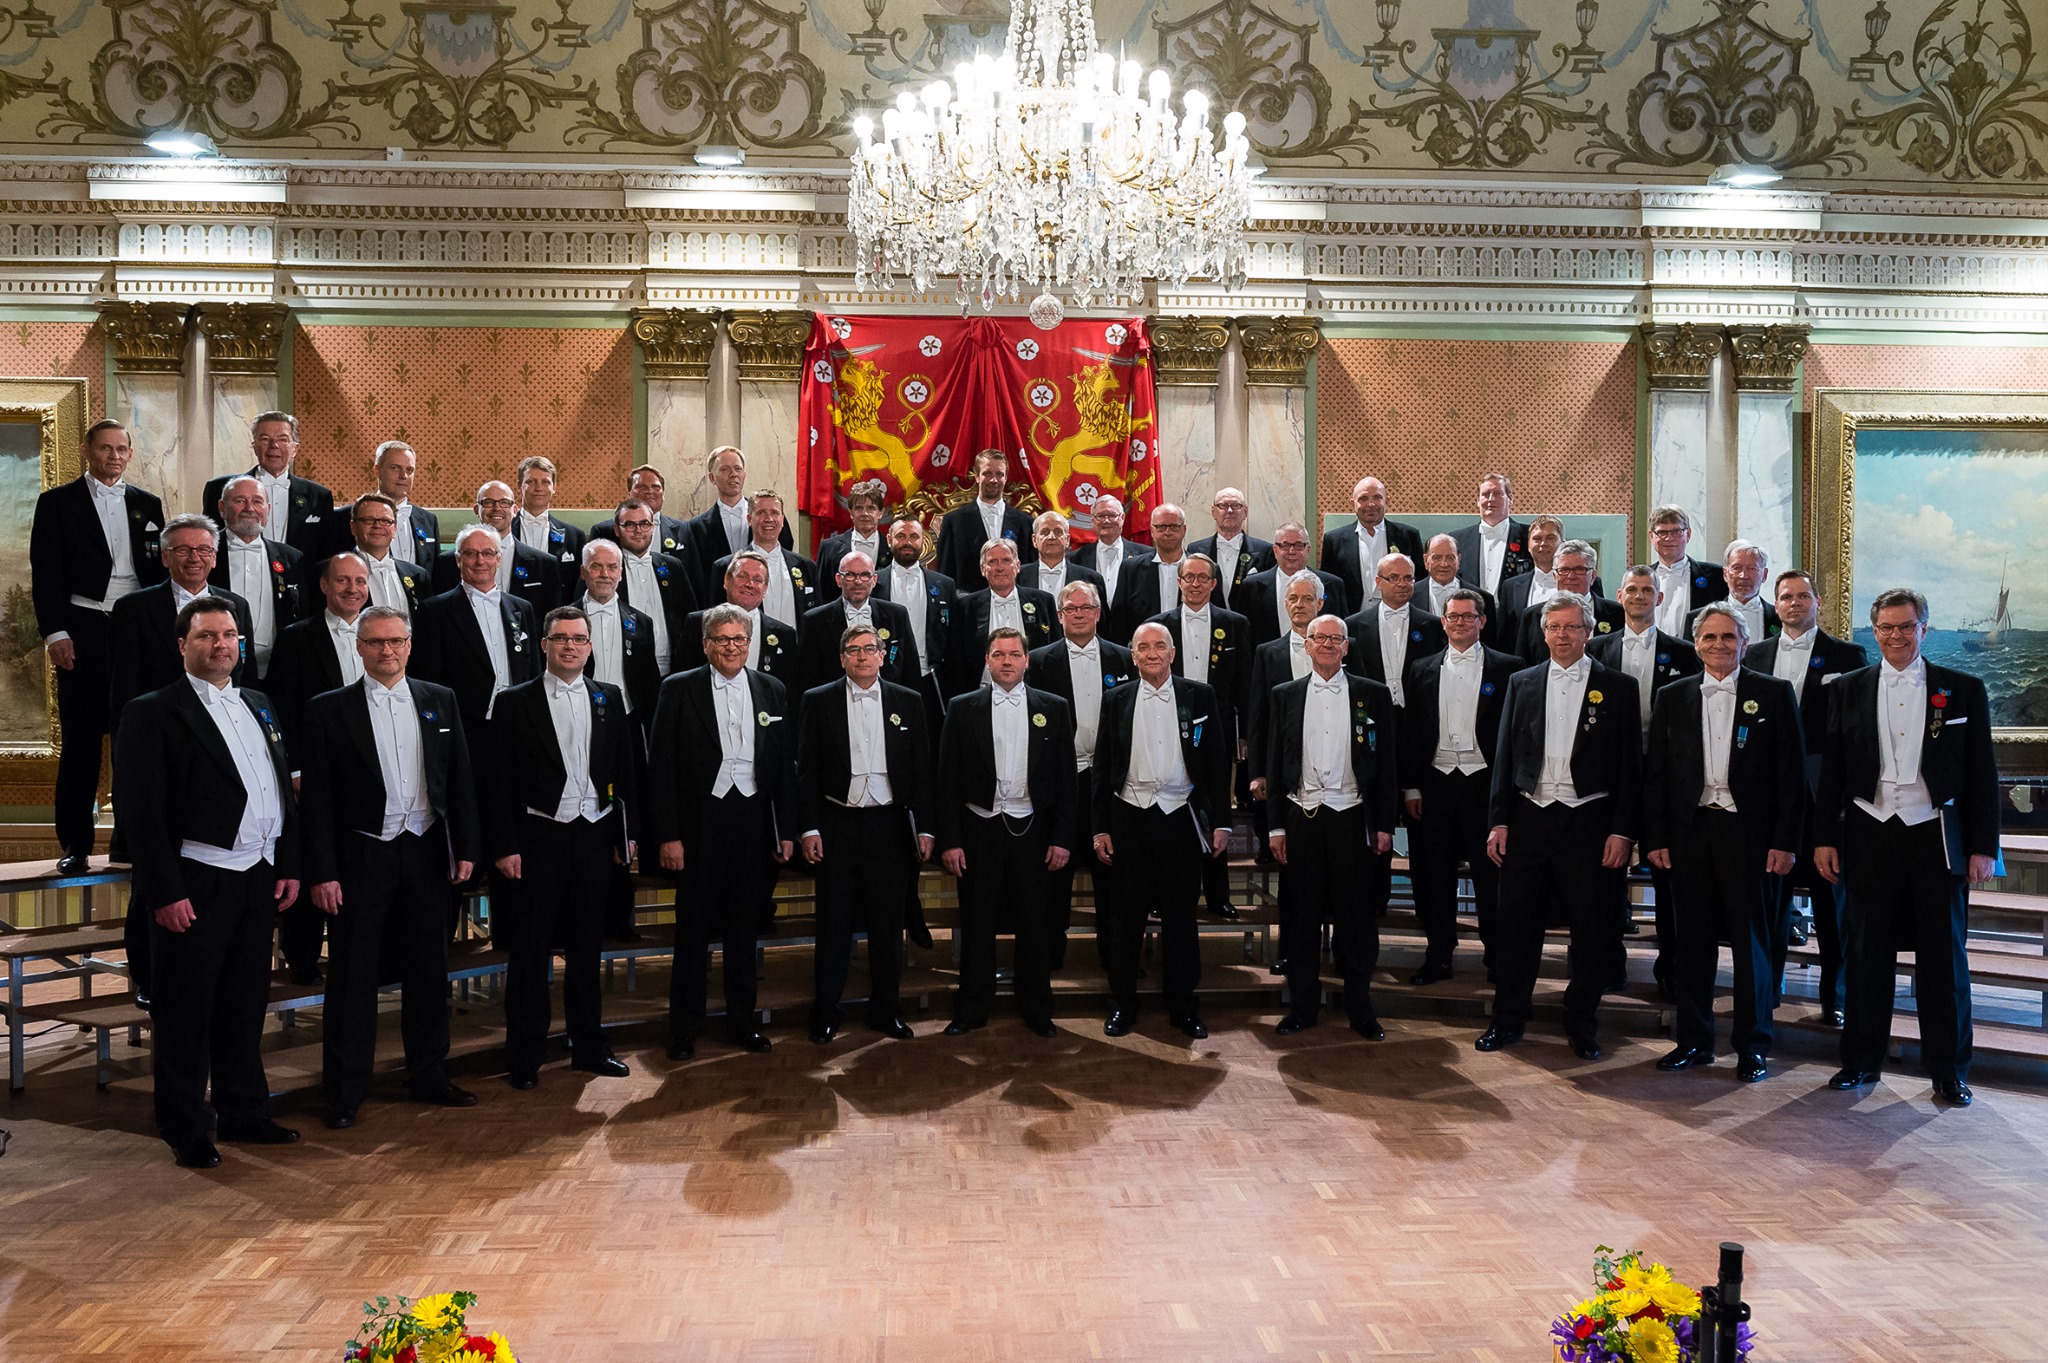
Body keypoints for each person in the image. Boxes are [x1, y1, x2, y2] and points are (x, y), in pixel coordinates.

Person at [114, 598, 300, 1168]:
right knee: (185, 1011)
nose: (221, 645)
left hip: (258, 874)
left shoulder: (259, 703)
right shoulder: (152, 712)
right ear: (182, 645)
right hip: (195, 879)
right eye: (207, 636)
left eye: (229, 635)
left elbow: (279, 788)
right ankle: (185, 1126)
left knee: (244, 1003)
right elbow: (141, 813)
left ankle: (244, 1111)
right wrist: (164, 892)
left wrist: (288, 863)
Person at [298, 606, 481, 1127]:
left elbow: (460, 778)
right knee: (352, 978)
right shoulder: (327, 709)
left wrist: (467, 847)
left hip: (425, 851)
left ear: (409, 645)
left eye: (396, 641)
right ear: (359, 648)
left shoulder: (439, 699)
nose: (387, 650)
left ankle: (429, 1075)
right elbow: (317, 802)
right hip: (361, 857)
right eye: (376, 642)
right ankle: (345, 1091)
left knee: (429, 971)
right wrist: (323, 872)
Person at [1815, 588, 1999, 1107]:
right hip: (1870, 832)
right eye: (1886, 627)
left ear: (1924, 628)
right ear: (1874, 631)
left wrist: (1983, 846)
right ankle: (1859, 1062)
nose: (1896, 636)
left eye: (1906, 626)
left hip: (1934, 835)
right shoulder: (1847, 688)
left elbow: (1981, 773)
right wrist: (1824, 837)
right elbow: (1832, 771)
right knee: (1866, 955)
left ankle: (1949, 1071)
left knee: (1944, 959)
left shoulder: (1962, 689)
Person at [1643, 604, 1804, 1083]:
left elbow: (1792, 776)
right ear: (1696, 644)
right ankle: (1693, 1041)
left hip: (1750, 836)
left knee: (1752, 946)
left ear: (1745, 643)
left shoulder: (1774, 693)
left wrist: (1785, 841)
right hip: (1690, 833)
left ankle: (1753, 1047)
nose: (1719, 645)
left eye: (1728, 637)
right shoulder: (1672, 695)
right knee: (1691, 945)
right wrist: (1656, 837)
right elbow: (1657, 774)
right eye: (1709, 637)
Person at [1478, 593, 1641, 1060]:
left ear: (1588, 632)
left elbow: (1629, 765)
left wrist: (1622, 831)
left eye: (1572, 627)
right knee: (1516, 927)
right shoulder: (1522, 681)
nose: (1563, 635)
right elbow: (1505, 757)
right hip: (1529, 818)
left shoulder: (1619, 687)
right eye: (1554, 627)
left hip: (1589, 821)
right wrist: (1499, 820)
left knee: (1591, 929)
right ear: (1543, 632)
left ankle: (1582, 1023)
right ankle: (1508, 1019)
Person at [486, 606, 640, 1088]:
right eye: (561, 638)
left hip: (594, 836)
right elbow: (497, 781)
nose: (570, 646)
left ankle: (589, 1046)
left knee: (587, 948)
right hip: (538, 838)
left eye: (578, 638)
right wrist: (505, 845)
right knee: (530, 952)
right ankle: (525, 1055)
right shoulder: (514, 701)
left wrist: (625, 835)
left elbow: (625, 771)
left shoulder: (609, 696)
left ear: (590, 647)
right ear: (544, 645)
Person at [648, 604, 796, 1058]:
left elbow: (782, 768)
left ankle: (741, 1022)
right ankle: (684, 1028)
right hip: (699, 821)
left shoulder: (771, 689)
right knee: (693, 929)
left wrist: (784, 830)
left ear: (749, 644)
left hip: (752, 819)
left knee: (744, 927)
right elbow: (661, 766)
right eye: (722, 639)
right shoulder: (678, 688)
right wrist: (668, 835)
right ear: (705, 644)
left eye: (739, 639)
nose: (731, 647)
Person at [30, 418, 167, 872]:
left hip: (135, 626)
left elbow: (159, 571)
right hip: (82, 626)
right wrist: (55, 632)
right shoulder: (57, 502)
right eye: (105, 448)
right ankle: (75, 845)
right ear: (87, 450)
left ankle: (129, 841)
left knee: (136, 738)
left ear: (130, 454)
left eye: (121, 449)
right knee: (81, 742)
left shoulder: (148, 504)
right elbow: (45, 571)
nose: (113, 456)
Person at [1261, 614, 1399, 1038]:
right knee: (1301, 918)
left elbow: (1387, 763)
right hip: (1301, 816)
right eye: (1318, 638)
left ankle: (1361, 1009)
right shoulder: (1284, 695)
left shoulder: (1373, 694)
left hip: (1352, 818)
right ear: (1306, 645)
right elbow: (1273, 762)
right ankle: (1302, 1007)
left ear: (1346, 647)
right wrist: (1275, 827)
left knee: (1356, 920)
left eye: (1335, 639)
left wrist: (1385, 823)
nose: (1326, 645)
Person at [934, 628, 1077, 1037]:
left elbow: (1067, 781)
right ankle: (972, 1008)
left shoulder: (1054, 707)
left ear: (1027, 660)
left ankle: (1037, 1008)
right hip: (979, 828)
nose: (1007, 661)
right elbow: (947, 780)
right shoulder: (963, 708)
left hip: (1033, 829)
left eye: (1015, 654)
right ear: (987, 661)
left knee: (1034, 922)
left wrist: (1062, 838)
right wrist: (951, 841)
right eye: (999, 654)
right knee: (977, 921)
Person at [1092, 622, 1232, 1038]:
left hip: (1179, 816)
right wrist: (1100, 828)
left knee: (1181, 917)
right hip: (1129, 816)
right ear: (1132, 655)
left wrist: (1221, 821)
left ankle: (1184, 1006)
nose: (1151, 653)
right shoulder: (1116, 698)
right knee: (1126, 916)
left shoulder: (1200, 695)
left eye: (1159, 646)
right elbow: (1103, 767)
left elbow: (1216, 761)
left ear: (1172, 653)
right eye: (1143, 647)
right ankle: (1122, 1004)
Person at [797, 624, 932, 1043]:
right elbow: (806, 770)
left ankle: (887, 1010)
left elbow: (923, 769)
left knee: (887, 926)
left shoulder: (908, 700)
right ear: (841, 658)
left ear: (882, 655)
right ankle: (826, 1011)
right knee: (833, 925)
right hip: (836, 824)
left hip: (889, 826)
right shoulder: (818, 700)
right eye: (853, 650)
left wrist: (926, 828)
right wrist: (809, 827)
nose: (861, 656)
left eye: (869, 649)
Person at [1745, 568, 1868, 1022]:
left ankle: (1836, 997)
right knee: (1769, 900)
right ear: (1775, 605)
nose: (1794, 603)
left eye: (1802, 596)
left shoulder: (1847, 655)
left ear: (1817, 602)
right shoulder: (1754, 654)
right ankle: (1767, 989)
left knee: (1831, 902)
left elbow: (1857, 728)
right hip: (1769, 795)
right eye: (1785, 597)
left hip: (1824, 792)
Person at [1589, 563, 1702, 995]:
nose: (1639, 596)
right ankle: (1606, 962)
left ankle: (1672, 969)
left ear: (1660, 598)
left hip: (1665, 774)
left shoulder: (1684, 651)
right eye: (1632, 589)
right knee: (1604, 872)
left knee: (1666, 873)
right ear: (1619, 596)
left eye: (1647, 590)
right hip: (1609, 773)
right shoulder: (1595, 649)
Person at [1400, 589, 1518, 984]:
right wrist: (1411, 787)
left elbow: (1515, 735)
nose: (1460, 622)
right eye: (1453, 616)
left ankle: (1497, 957)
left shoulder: (1509, 668)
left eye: (1469, 616)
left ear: (1482, 621)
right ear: (1443, 622)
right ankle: (1438, 955)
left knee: (1490, 876)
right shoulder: (1422, 668)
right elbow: (1413, 731)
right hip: (1436, 785)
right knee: (1435, 876)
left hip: (1484, 784)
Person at [1025, 581, 1136, 970]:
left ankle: (1115, 956)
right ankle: (1049, 955)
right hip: (1061, 782)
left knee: (1112, 874)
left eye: (1085, 607)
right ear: (1059, 616)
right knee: (1055, 870)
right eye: (1070, 609)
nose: (1079, 614)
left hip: (1108, 783)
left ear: (1098, 612)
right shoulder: (1038, 661)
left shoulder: (1124, 658)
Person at [1147, 553, 1251, 920]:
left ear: (1213, 583)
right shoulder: (1158, 625)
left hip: (1217, 729)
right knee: (1168, 814)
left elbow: (1244, 685)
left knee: (1215, 808)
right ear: (1178, 582)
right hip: (1168, 726)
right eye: (1188, 577)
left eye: (1202, 578)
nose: (1195, 584)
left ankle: (1218, 896)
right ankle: (1162, 895)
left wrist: (1243, 735)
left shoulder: (1235, 623)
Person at [109, 516, 254, 731]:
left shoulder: (237, 605)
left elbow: (246, 676)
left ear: (214, 557)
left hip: (223, 725)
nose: (194, 558)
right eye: (183, 550)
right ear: (165, 557)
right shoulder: (133, 608)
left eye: (203, 550)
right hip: (158, 726)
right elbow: (124, 684)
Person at [410, 524, 543, 743]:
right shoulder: (434, 611)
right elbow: (427, 677)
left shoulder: (521, 608)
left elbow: (533, 669)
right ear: (458, 559)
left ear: (498, 559)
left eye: (488, 553)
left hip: (517, 721)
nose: (480, 561)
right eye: (471, 553)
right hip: (464, 725)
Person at [269, 552, 372, 756]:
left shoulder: (381, 636)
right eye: (342, 580)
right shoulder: (294, 638)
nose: (352, 589)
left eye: (360, 581)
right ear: (324, 585)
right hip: (320, 751)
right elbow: (284, 706)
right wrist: (295, 765)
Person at [201, 411, 335, 556]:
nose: (274, 446)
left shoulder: (319, 496)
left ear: (295, 449)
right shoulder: (219, 488)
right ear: (254, 446)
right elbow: (208, 543)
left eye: (283, 439)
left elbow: (327, 552)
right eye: (265, 439)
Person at [210, 475, 303, 681]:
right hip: (219, 665)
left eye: (257, 501)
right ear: (222, 508)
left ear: (267, 509)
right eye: (240, 501)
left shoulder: (292, 558)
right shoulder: (205, 553)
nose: (249, 508)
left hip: (277, 670)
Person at [874, 515, 956, 742]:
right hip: (886, 676)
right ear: (889, 540)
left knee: (930, 742)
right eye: (901, 536)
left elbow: (952, 640)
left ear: (923, 541)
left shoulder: (944, 584)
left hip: (930, 678)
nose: (907, 542)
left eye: (913, 537)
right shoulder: (873, 582)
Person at [796, 551, 919, 693]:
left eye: (865, 575)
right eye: (850, 575)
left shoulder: (897, 615)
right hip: (836, 701)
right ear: (838, 579)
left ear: (874, 580)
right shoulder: (814, 621)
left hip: (888, 701)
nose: (858, 581)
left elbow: (911, 671)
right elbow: (807, 678)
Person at [948, 539, 1059, 695]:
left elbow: (1055, 652)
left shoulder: (1043, 602)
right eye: (992, 562)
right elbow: (957, 660)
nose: (1000, 567)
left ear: (1017, 566)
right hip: (982, 694)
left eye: (1006, 560)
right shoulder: (965, 607)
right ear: (982, 569)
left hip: (1035, 692)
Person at [434, 481, 558, 615]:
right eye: (488, 503)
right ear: (476, 510)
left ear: (515, 510)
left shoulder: (544, 564)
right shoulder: (447, 562)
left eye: (504, 502)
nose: (497, 508)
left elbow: (553, 617)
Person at [575, 539, 662, 732]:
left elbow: (650, 684)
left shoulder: (642, 623)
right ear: (583, 571)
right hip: (578, 717)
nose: (605, 574)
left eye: (612, 567)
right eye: (596, 566)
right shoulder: (564, 620)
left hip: (628, 721)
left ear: (620, 574)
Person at [609, 497, 697, 676]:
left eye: (644, 524)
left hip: (670, 668)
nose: (638, 531)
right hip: (622, 667)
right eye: (630, 525)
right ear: (617, 530)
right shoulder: (607, 569)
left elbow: (689, 616)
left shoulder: (672, 566)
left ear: (653, 527)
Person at [678, 550, 796, 682]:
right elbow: (681, 682)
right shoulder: (697, 623)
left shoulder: (784, 635)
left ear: (765, 589)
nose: (749, 584)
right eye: (742, 576)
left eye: (757, 580)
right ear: (726, 580)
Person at [684, 445, 793, 587]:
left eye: (738, 469)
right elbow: (698, 577)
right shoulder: (697, 528)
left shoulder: (771, 518)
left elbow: (784, 555)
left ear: (744, 474)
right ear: (712, 478)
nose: (733, 474)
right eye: (725, 469)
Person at [712, 490, 819, 630]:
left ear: (782, 519)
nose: (768, 519)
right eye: (761, 513)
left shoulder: (806, 566)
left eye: (774, 513)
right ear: (749, 519)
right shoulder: (725, 567)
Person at [934, 448, 1034, 593]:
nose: (993, 480)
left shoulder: (1025, 522)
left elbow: (1029, 572)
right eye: (987, 474)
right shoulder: (954, 522)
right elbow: (945, 573)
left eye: (999, 474)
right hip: (969, 602)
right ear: (977, 476)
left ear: (1006, 478)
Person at [1236, 522, 1349, 649]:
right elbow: (1244, 636)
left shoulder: (1332, 585)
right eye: (1285, 545)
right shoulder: (1252, 587)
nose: (1291, 551)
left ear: (1308, 550)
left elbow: (1342, 631)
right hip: (1270, 659)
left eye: (1298, 545)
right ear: (1275, 550)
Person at [1320, 477, 1424, 610]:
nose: (1371, 504)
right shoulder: (1334, 540)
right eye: (1363, 499)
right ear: (1352, 504)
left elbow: (1419, 581)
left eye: (1377, 498)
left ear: (1387, 501)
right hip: (1350, 616)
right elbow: (1328, 586)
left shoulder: (1408, 536)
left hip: (1398, 612)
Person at [1513, 540, 1622, 665]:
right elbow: (1523, 667)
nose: (1571, 576)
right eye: (1564, 570)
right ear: (1555, 576)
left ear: (1593, 576)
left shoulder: (1617, 613)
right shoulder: (1532, 616)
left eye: (1579, 569)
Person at [1068, 494, 1156, 644]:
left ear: (1122, 518)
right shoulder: (1076, 559)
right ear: (1093, 520)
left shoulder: (1146, 555)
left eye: (1111, 515)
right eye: (1101, 516)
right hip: (1091, 640)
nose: (1106, 520)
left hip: (1133, 639)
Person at [336, 492, 431, 619]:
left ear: (395, 529)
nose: (377, 526)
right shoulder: (332, 571)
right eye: (369, 520)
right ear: (353, 527)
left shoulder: (418, 576)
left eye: (385, 521)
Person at [347, 440, 440, 566]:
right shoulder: (345, 517)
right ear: (377, 470)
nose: (403, 476)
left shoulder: (428, 520)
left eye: (409, 470)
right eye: (395, 468)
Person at [1645, 505, 1727, 637]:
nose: (1669, 538)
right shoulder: (1641, 577)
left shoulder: (1715, 576)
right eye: (1662, 532)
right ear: (1651, 536)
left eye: (1677, 531)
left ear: (1688, 534)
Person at [1188, 486, 1272, 611]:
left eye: (1236, 505)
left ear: (1245, 512)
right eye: (1223, 505)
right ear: (1213, 512)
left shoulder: (1265, 551)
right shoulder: (1195, 550)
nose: (1230, 510)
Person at [1449, 471, 1533, 596]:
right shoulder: (1457, 540)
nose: (1491, 499)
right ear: (1478, 501)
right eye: (1485, 494)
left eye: (1497, 493)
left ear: (1510, 499)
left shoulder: (1530, 536)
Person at [814, 478, 890, 599]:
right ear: (850, 512)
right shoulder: (829, 548)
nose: (865, 514)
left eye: (871, 508)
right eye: (859, 508)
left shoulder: (892, 549)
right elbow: (820, 593)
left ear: (880, 512)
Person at [1692, 540, 1779, 645]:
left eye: (1752, 568)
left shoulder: (1780, 618)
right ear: (1725, 574)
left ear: (1764, 575)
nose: (1743, 576)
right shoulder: (1698, 617)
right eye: (1737, 568)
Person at [511, 454, 586, 576]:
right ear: (519, 485)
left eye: (545, 482)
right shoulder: (503, 531)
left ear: (554, 487)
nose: (538, 488)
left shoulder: (574, 537)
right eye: (531, 482)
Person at [1017, 509, 1106, 606]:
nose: (1051, 537)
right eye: (1045, 532)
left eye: (1058, 531)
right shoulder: (1017, 576)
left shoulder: (1091, 578)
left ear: (1067, 539)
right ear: (1034, 540)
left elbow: (1100, 615)